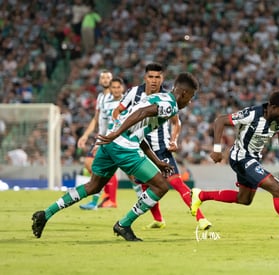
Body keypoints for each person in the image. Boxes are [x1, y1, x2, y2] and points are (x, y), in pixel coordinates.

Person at [31, 72, 198, 241]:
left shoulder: (159, 96)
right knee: (161, 186)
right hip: (123, 146)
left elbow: (139, 132)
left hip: (110, 141)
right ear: (183, 93)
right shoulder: (170, 106)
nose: (189, 102)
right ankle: (124, 224)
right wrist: (119, 133)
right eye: (190, 97)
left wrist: (157, 162)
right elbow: (143, 113)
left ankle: (45, 214)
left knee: (93, 186)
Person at [190, 90, 279, 239]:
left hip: (253, 160)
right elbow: (220, 120)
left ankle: (201, 195)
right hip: (240, 158)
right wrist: (217, 149)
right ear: (272, 107)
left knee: (244, 199)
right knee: (276, 188)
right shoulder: (252, 114)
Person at [112, 62, 211, 230]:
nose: (154, 80)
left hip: (160, 148)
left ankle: (200, 219)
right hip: (137, 148)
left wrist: (174, 140)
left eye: (157, 77)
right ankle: (158, 219)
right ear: (145, 77)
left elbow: (176, 123)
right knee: (146, 187)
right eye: (151, 77)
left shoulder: (170, 99)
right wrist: (119, 131)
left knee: (177, 183)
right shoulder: (134, 93)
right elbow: (118, 111)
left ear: (162, 79)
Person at [77, 70, 119, 210]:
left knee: (95, 165)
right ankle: (106, 198)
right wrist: (85, 135)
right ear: (100, 81)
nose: (106, 79)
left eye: (108, 77)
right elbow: (96, 119)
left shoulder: (116, 98)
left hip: (110, 137)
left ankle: (108, 199)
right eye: (103, 77)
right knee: (92, 165)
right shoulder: (101, 97)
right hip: (101, 137)